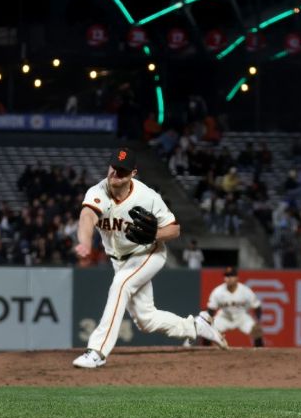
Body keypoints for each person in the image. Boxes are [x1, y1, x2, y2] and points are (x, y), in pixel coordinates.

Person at [72, 147, 226, 368]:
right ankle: (196, 326)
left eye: (122, 171)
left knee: (120, 285)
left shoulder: (148, 197)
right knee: (146, 320)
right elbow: (87, 217)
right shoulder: (98, 191)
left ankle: (97, 350)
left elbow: (174, 230)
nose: (115, 174)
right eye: (113, 168)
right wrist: (85, 242)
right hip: (120, 260)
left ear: (133, 173)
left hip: (147, 253)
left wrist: (154, 234)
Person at [205, 266, 264, 347]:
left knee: (257, 330)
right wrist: (208, 323)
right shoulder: (218, 291)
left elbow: (257, 306)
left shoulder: (245, 291)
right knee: (206, 330)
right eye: (226, 276)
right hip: (224, 316)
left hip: (241, 316)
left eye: (231, 275)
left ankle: (259, 354)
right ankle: (205, 354)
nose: (229, 278)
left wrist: (258, 321)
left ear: (237, 277)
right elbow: (211, 309)